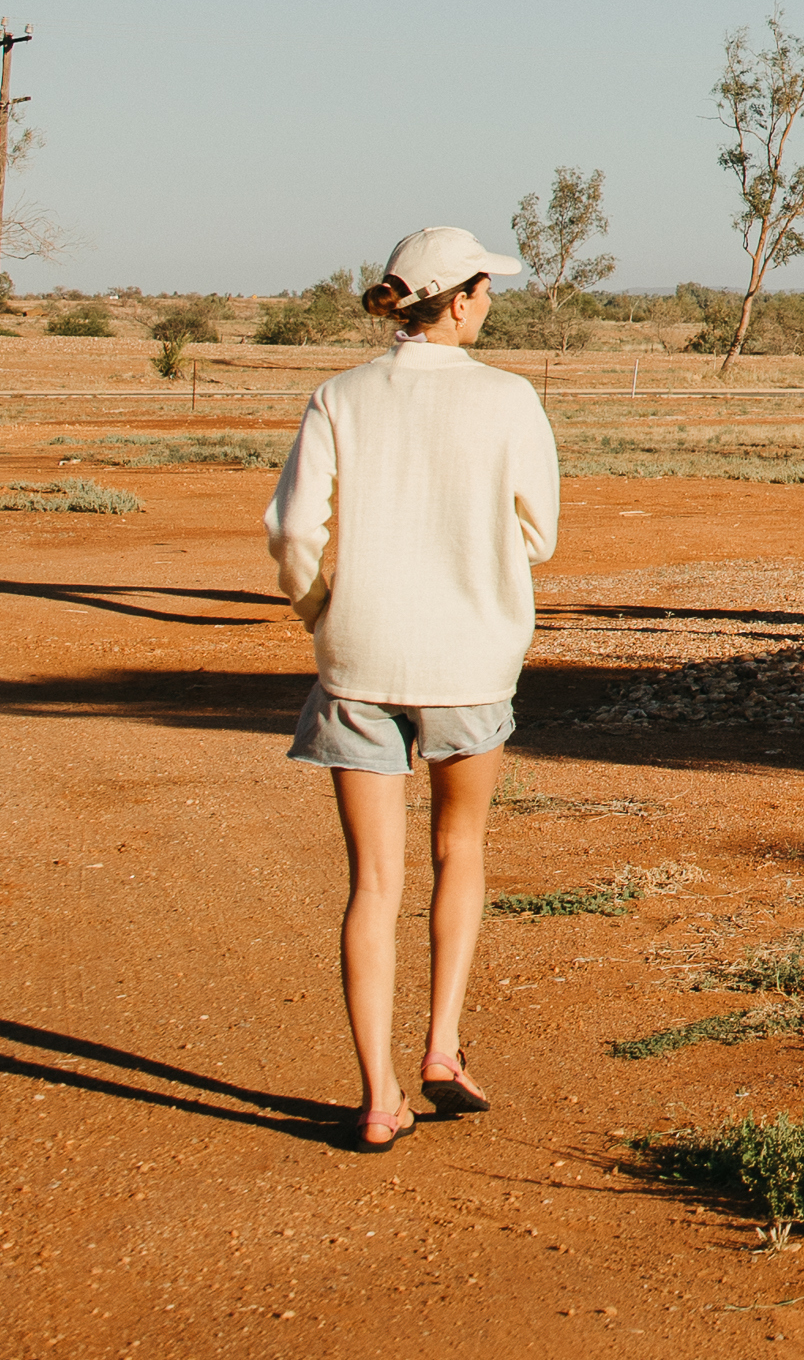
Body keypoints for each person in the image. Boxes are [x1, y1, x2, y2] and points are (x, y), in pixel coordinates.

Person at [263, 225, 562, 1151]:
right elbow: (540, 532)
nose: (489, 302)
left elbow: (290, 532)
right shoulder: (509, 399)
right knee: (459, 846)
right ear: (463, 297)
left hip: (361, 659)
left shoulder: (339, 396)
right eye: (486, 289)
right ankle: (441, 1047)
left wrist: (324, 611)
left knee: (374, 883)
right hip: (470, 658)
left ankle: (377, 1097)